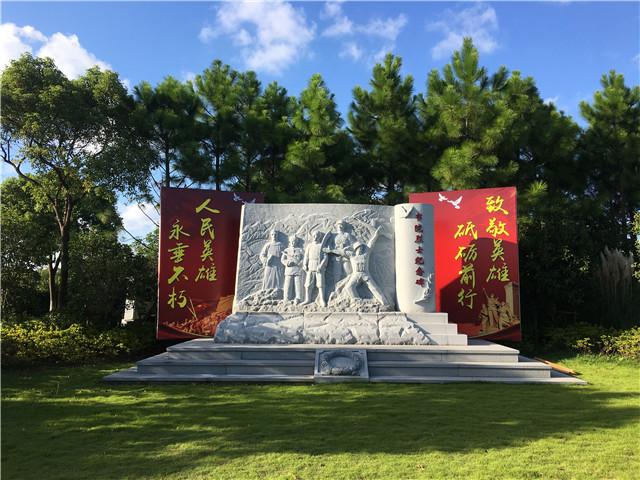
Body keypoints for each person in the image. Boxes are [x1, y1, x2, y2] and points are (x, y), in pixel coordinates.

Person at [332, 227, 389, 307]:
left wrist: (376, 235)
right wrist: (331, 250)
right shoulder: (352, 255)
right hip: (356, 275)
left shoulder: (365, 254)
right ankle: (357, 300)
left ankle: (385, 303)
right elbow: (341, 252)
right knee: (349, 287)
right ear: (355, 249)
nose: (361, 249)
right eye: (359, 248)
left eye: (362, 248)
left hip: (365, 274)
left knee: (374, 289)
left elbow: (370, 244)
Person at [302, 230, 328, 307]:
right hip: (310, 266)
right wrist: (305, 264)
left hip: (319, 267)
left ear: (319, 237)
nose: (315, 237)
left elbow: (325, 257)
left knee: (320, 284)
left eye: (317, 236)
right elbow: (306, 256)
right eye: (314, 236)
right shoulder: (309, 246)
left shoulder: (322, 246)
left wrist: (321, 265)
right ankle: (307, 299)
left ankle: (322, 299)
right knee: (308, 284)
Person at [328, 220, 354, 286]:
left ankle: (348, 288)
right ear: (336, 226)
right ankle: (336, 290)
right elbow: (329, 245)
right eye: (339, 225)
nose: (340, 226)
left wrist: (347, 248)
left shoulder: (347, 235)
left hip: (345, 257)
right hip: (336, 257)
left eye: (342, 225)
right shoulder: (334, 235)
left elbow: (353, 245)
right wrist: (331, 249)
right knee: (336, 274)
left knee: (348, 273)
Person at [281, 235, 304, 302]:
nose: (292, 243)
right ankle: (286, 298)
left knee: (298, 284)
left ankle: (299, 298)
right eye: (291, 242)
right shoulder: (286, 251)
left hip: (298, 270)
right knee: (288, 284)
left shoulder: (300, 250)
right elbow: (283, 259)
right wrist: (287, 263)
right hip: (289, 270)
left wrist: (301, 262)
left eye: (294, 242)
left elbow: (305, 258)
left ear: (296, 242)